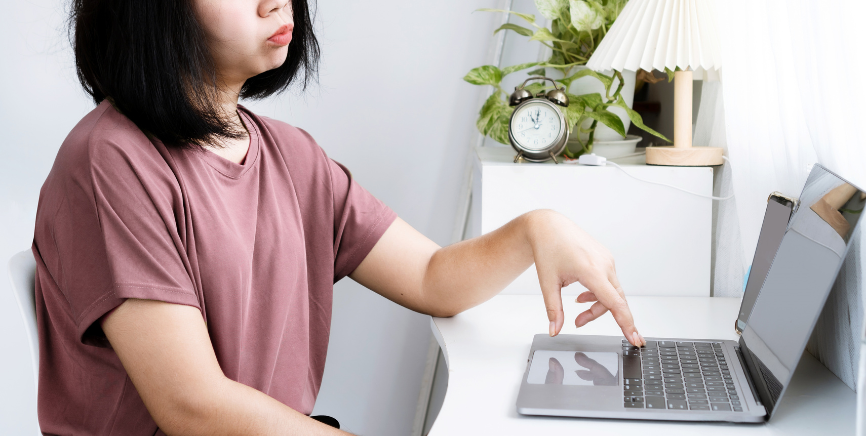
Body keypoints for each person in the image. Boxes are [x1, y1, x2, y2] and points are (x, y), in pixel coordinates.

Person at [30, 0, 645, 434]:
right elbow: (192, 406)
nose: (277, 3)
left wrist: (537, 228)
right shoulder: (109, 160)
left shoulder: (291, 156)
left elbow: (432, 277)